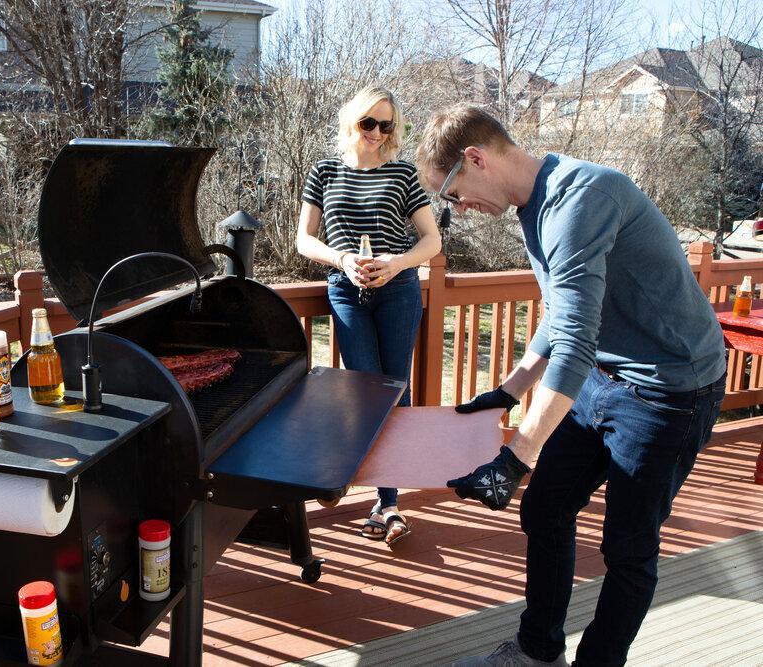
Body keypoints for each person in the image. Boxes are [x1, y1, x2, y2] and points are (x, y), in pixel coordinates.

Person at [414, 105, 726, 666]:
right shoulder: (533, 208)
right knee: (546, 510)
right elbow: (562, 315)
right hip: (603, 379)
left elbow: (576, 342)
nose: (458, 210)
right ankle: (538, 651)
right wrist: (510, 390)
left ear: (475, 159)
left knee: (628, 550)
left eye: (453, 196)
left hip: (670, 390)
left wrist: (517, 457)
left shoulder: (583, 198)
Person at [297, 86, 442, 546]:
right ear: (352, 121)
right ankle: (344, 472)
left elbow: (431, 241)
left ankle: (389, 501)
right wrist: (341, 261)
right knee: (363, 389)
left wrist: (397, 263)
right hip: (346, 289)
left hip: (398, 290)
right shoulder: (324, 171)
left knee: (394, 388)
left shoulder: (402, 174)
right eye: (369, 123)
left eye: (387, 125)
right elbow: (303, 239)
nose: (378, 133)